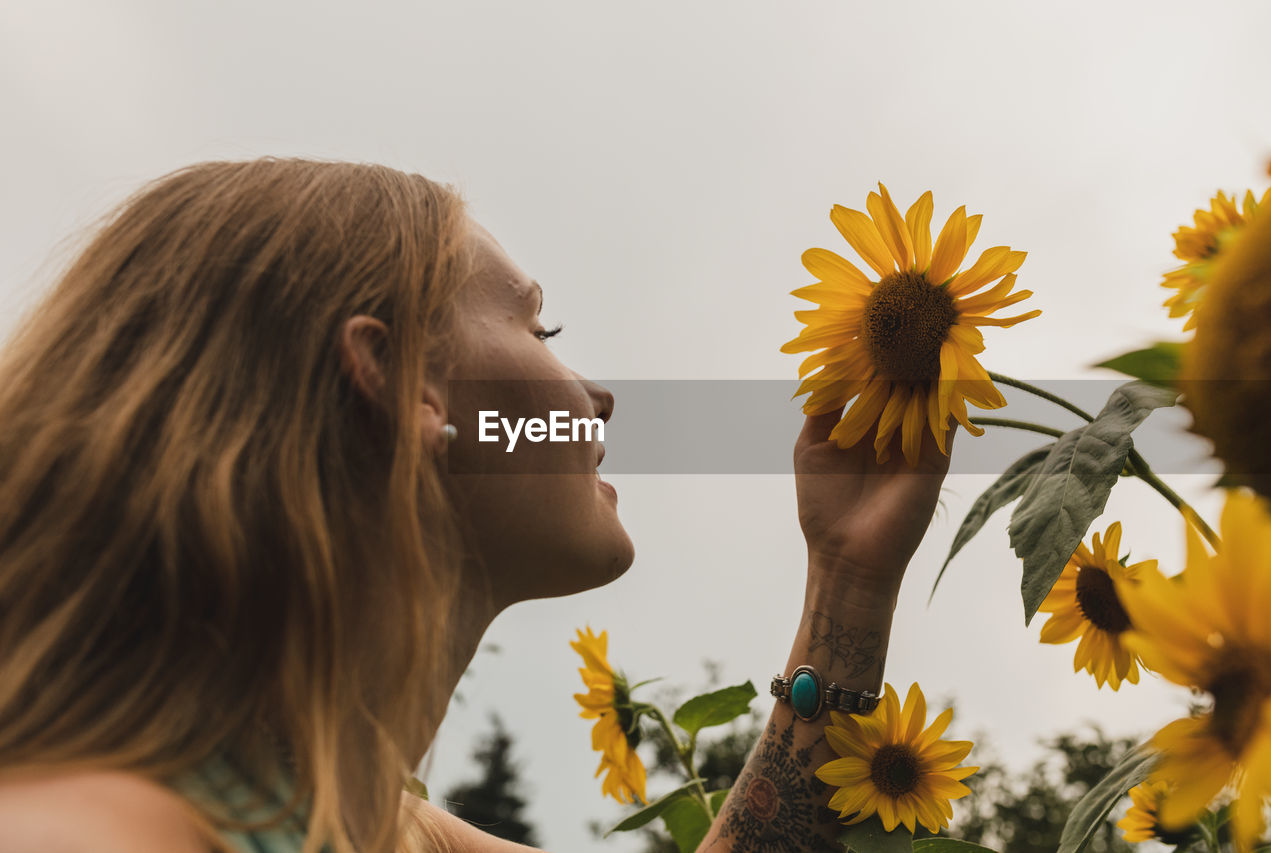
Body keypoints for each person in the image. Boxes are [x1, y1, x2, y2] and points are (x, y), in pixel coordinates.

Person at [0, 158, 954, 852]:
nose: (600, 397)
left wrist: (847, 583)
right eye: (542, 326)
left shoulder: (377, 825)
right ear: (399, 382)